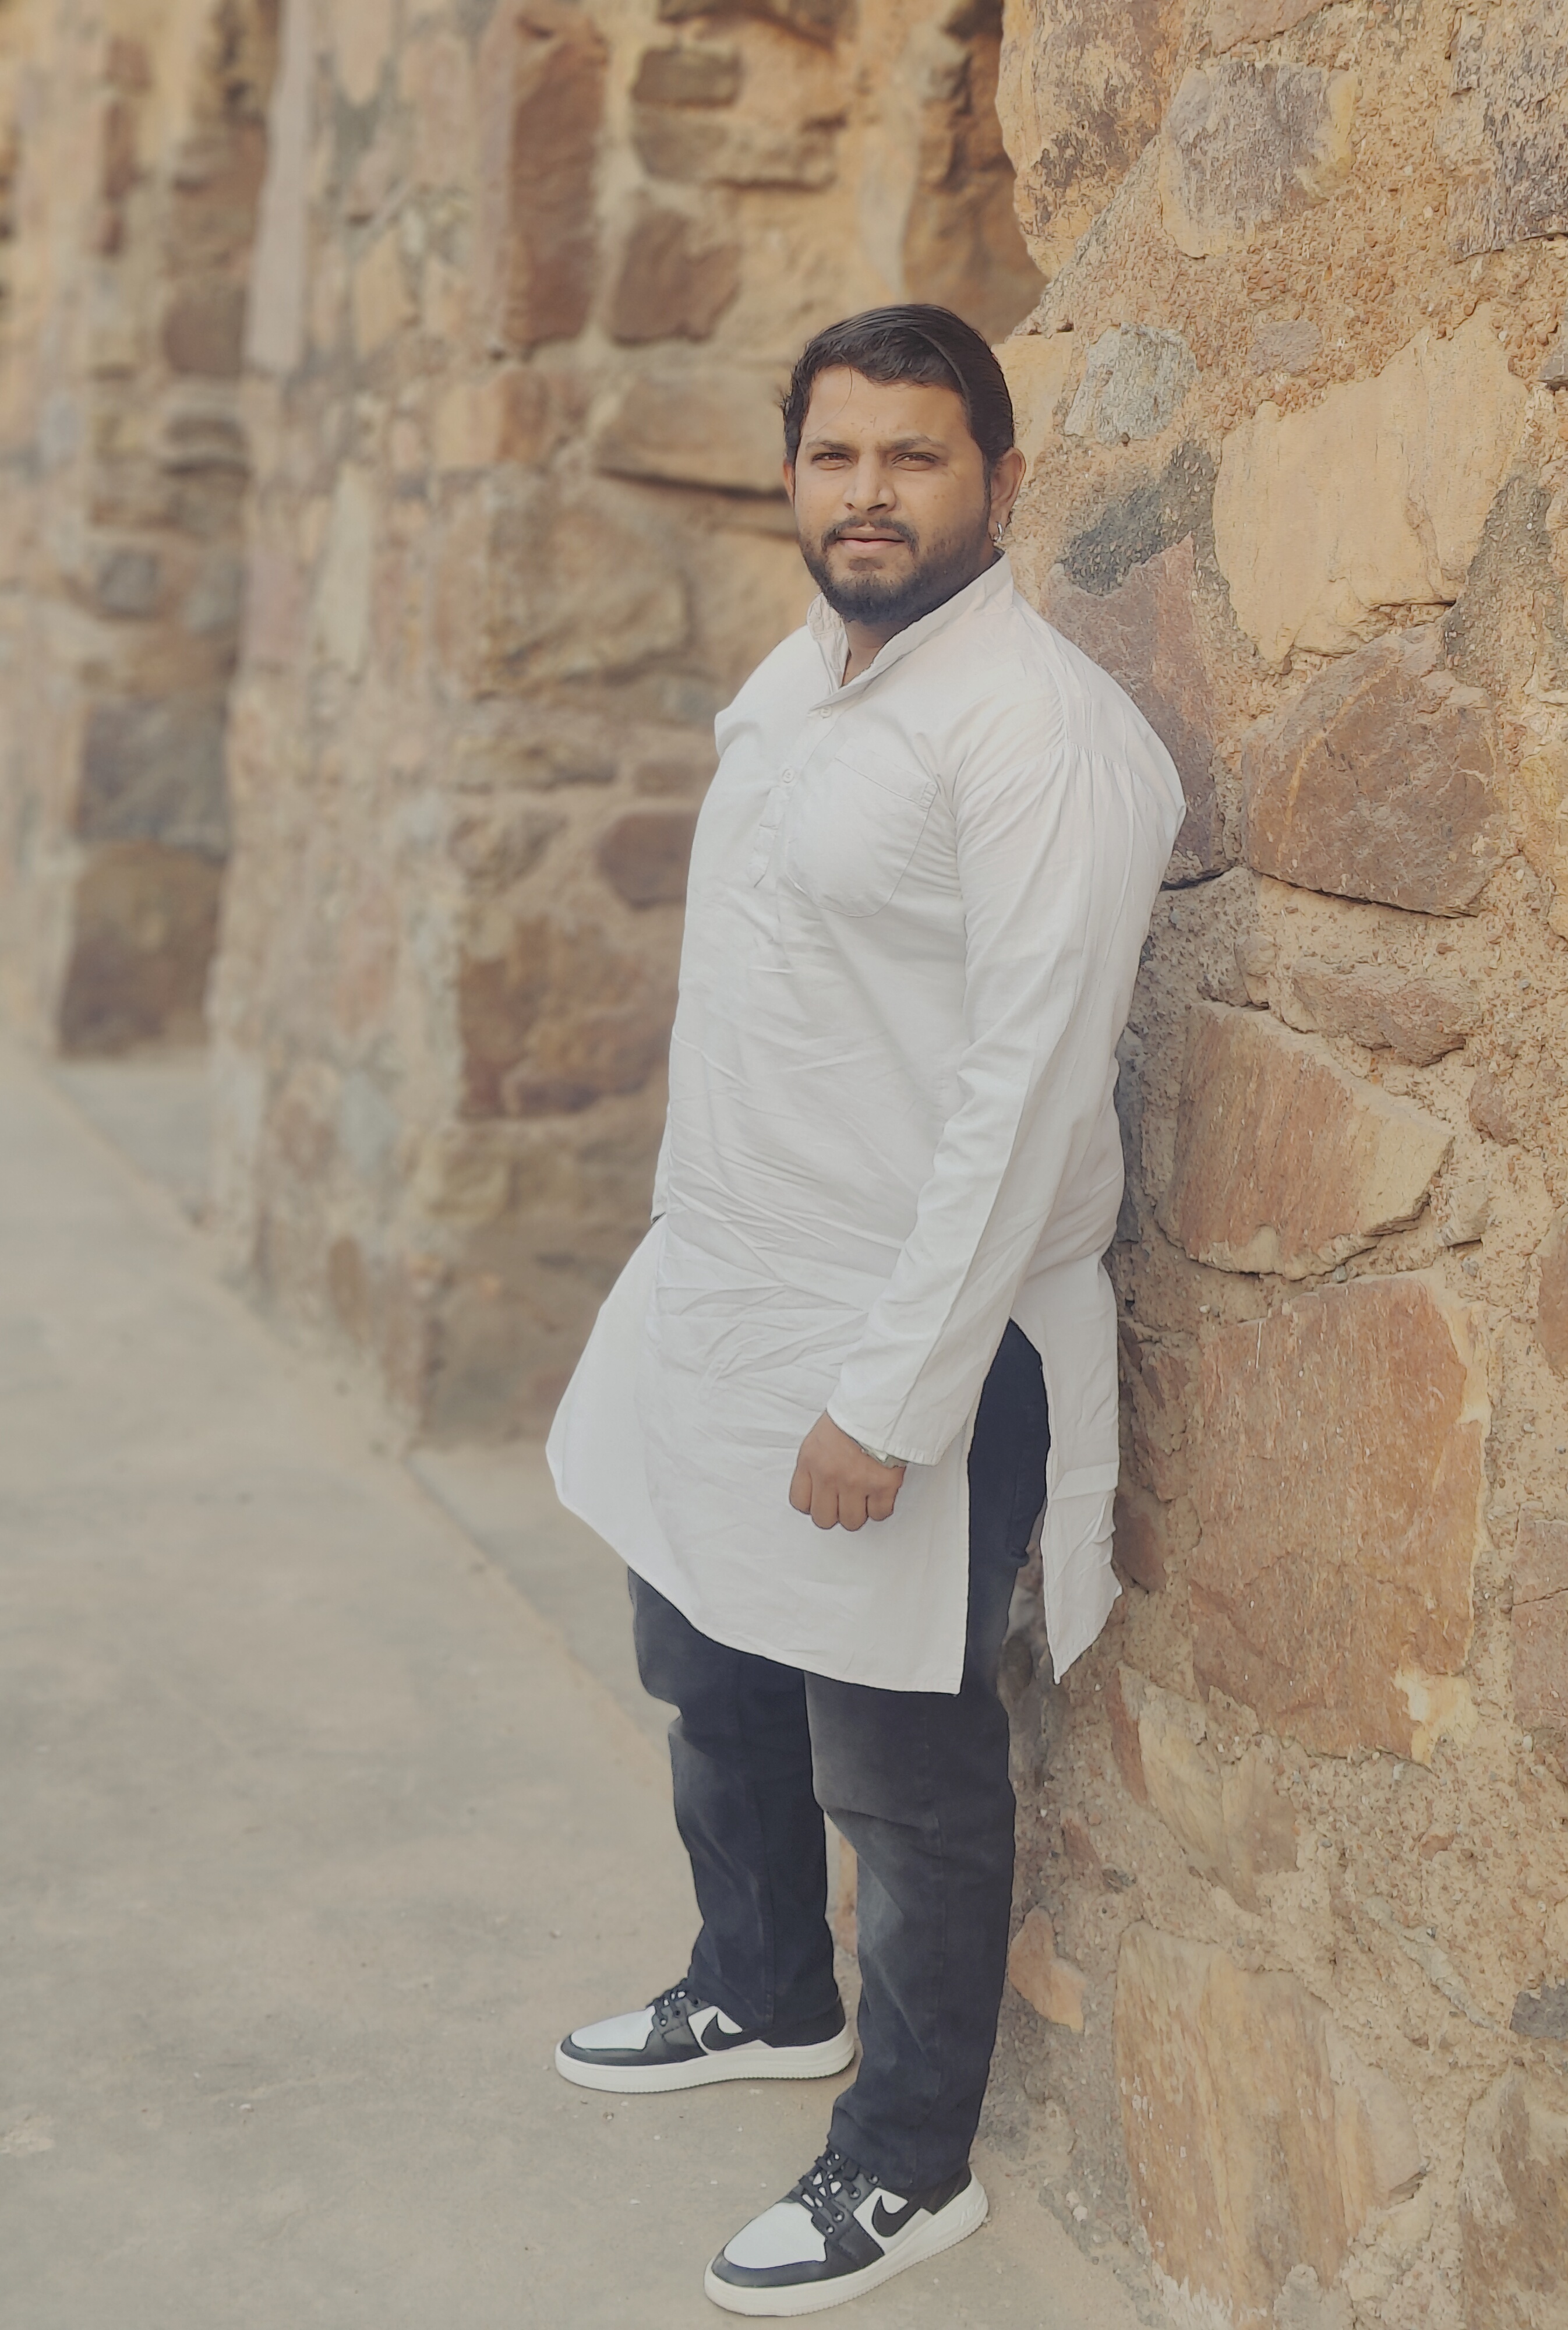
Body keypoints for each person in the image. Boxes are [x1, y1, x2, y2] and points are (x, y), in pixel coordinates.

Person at [546, 302, 1184, 2315]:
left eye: (914, 455)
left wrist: (893, 1397)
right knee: (704, 1658)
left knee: (902, 1775)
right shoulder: (810, 668)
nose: (869, 493)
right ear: (793, 472)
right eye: (836, 454)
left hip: (911, 1331)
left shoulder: (1043, 737)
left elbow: (1026, 1095)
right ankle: (762, 1989)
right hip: (729, 1282)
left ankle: (908, 2165)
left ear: (1002, 479)